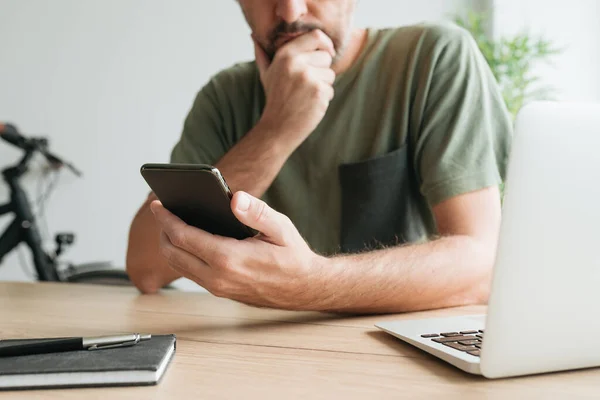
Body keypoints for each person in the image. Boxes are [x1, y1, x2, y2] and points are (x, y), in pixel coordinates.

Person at [126, 0, 512, 313]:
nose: (290, 11)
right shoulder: (225, 95)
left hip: (396, 357)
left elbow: (480, 266)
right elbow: (145, 266)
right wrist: (277, 128)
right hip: (257, 358)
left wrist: (310, 283)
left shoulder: (433, 58)